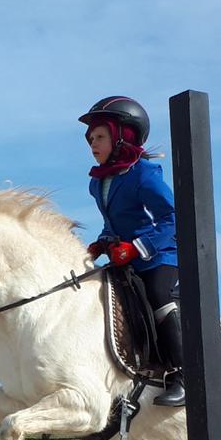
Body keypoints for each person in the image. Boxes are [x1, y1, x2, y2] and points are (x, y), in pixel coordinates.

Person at [80, 96, 186, 407]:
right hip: (123, 257)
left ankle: (182, 376)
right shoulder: (97, 184)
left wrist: (137, 247)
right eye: (89, 140)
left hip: (161, 255)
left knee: (157, 295)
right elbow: (113, 223)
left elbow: (173, 219)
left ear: (121, 136)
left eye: (99, 137)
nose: (92, 145)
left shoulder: (144, 173)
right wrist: (102, 242)